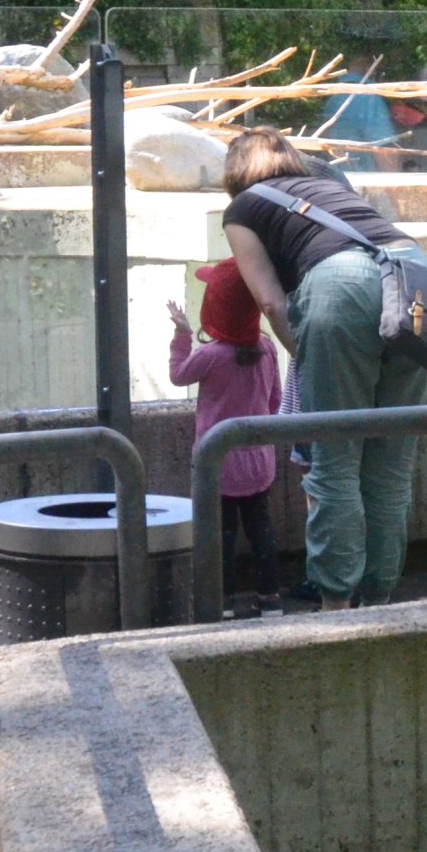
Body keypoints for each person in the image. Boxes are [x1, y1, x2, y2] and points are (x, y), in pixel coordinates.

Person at [219, 130, 427, 610]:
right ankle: (379, 598)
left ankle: (335, 605)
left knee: (334, 462)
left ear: (234, 173)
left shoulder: (242, 208)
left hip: (343, 285)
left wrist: (308, 357)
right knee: (391, 463)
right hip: (414, 279)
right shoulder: (328, 181)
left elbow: (272, 302)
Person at [168, 258, 287, 614]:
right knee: (261, 530)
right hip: (259, 460)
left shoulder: (210, 355)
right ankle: (270, 600)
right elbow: (276, 400)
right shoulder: (266, 349)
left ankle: (224, 603)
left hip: (217, 464)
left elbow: (177, 376)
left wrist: (181, 334)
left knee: (222, 536)